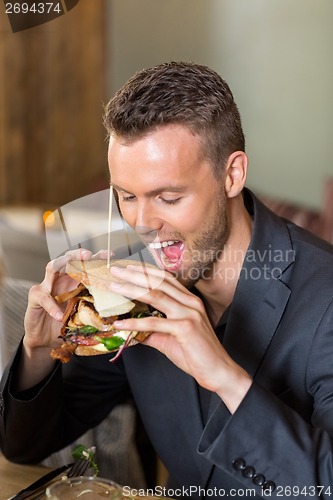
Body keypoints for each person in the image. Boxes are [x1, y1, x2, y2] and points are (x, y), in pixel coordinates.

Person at [1, 61, 333, 499]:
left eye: (169, 197)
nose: (141, 223)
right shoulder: (133, 279)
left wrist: (225, 377)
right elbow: (26, 446)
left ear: (232, 174)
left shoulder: (325, 298)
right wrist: (39, 351)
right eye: (126, 197)